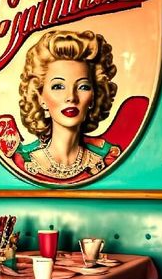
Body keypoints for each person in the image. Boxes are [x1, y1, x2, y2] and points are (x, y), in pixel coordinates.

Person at [13, 29, 120, 182]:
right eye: (58, 86)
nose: (71, 97)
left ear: (94, 96)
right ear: (40, 96)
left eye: (83, 87)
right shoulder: (23, 161)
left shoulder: (108, 159)